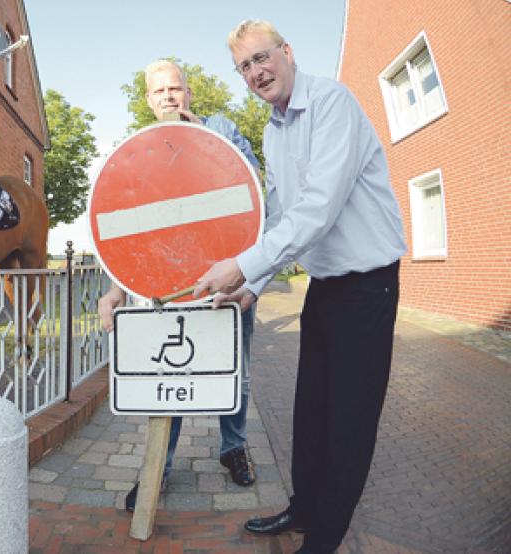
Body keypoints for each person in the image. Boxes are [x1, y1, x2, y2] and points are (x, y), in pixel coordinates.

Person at [192, 20, 407, 554]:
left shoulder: (333, 103)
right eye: (244, 66)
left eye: (262, 58)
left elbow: (318, 209)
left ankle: (326, 536)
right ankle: (304, 507)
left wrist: (242, 266)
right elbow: (280, 215)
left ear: (287, 53)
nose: (256, 73)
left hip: (368, 287)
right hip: (326, 286)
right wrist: (254, 285)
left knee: (349, 418)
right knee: (310, 409)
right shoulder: (272, 129)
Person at [97, 60, 262, 512]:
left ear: (188, 94)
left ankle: (233, 447)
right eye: (159, 92)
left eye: (176, 88)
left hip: (227, 282)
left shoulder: (221, 129)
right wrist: (114, 291)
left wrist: (207, 143)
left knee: (234, 373)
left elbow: (252, 192)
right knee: (170, 377)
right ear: (149, 102)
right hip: (164, 287)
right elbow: (121, 231)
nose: (169, 96)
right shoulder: (135, 150)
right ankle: (158, 470)